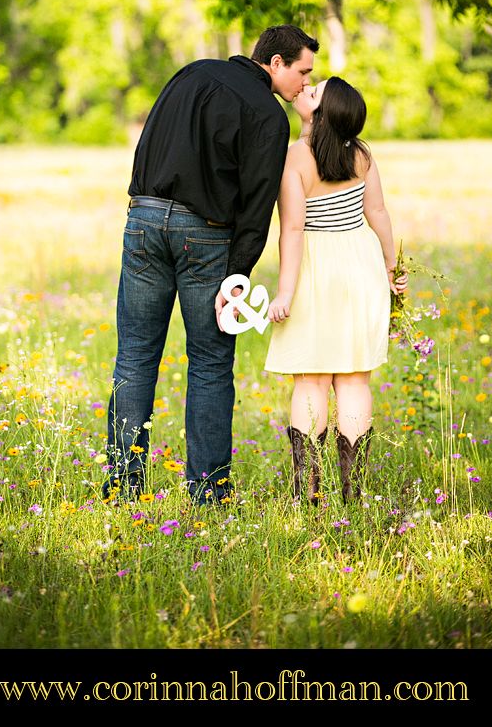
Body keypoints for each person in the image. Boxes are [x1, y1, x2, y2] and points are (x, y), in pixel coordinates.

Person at [104, 25, 320, 505]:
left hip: (142, 216)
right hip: (203, 234)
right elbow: (257, 205)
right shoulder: (267, 113)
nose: (305, 85)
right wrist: (238, 273)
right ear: (276, 62)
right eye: (302, 71)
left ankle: (122, 488)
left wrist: (145, 204)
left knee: (134, 356)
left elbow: (147, 145)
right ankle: (207, 492)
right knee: (209, 363)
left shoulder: (191, 74)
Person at [264, 76, 408, 504]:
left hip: (315, 269)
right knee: (353, 380)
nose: (305, 91)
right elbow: (377, 212)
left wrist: (286, 292)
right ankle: (353, 492)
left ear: (322, 112)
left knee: (310, 381)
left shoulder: (296, 158)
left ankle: (307, 490)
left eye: (315, 92)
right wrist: (390, 267)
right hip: (360, 264)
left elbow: (292, 230)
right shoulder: (362, 155)